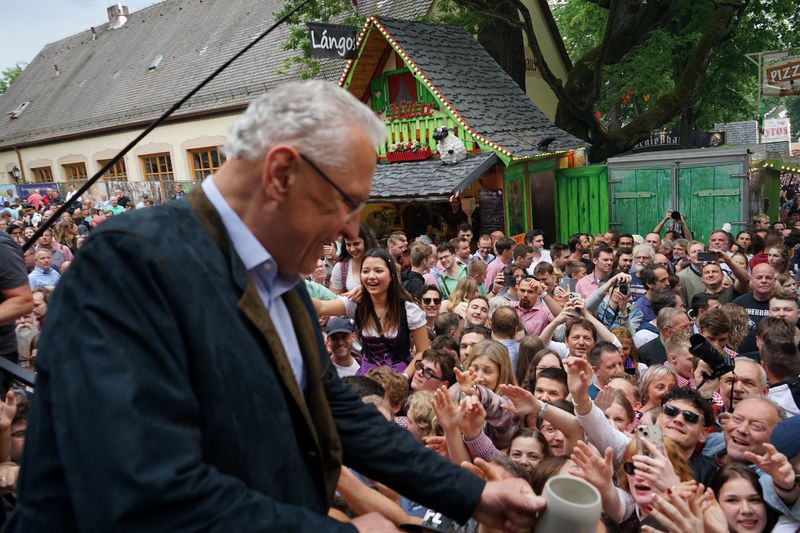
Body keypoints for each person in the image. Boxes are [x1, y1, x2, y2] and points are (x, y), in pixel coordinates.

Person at [8, 81, 542, 531]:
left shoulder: (279, 274)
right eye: (346, 203)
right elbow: (137, 486)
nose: (353, 231)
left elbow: (331, 408)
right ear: (282, 172)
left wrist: (468, 495)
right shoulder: (129, 264)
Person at [315, 248, 431, 377]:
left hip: (399, 381)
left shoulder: (408, 309)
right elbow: (320, 307)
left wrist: (404, 376)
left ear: (391, 274)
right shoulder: (356, 304)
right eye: (365, 271)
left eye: (378, 271)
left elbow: (423, 351)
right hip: (368, 380)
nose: (371, 276)